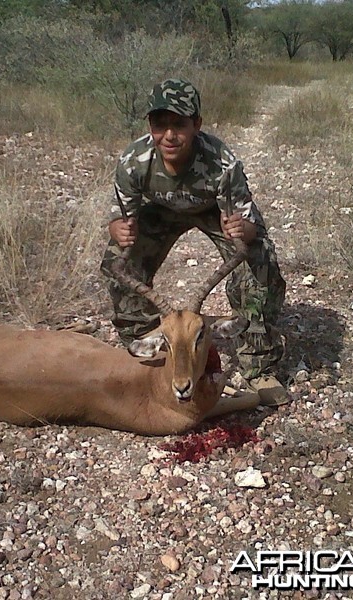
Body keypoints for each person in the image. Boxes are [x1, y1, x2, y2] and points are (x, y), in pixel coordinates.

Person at [100, 78, 287, 404]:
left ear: (196, 125)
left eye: (179, 125)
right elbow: (121, 218)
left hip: (213, 212)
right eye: (160, 125)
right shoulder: (133, 161)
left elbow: (250, 228)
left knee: (260, 262)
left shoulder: (221, 162)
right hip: (160, 212)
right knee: (117, 262)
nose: (169, 135)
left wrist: (244, 231)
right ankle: (145, 350)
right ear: (150, 125)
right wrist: (118, 228)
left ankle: (258, 367)